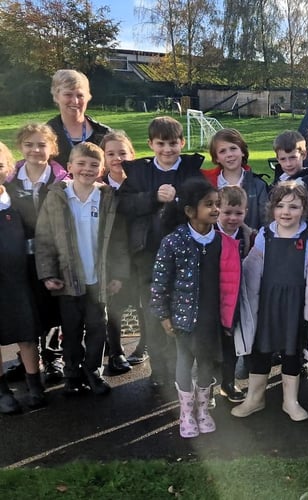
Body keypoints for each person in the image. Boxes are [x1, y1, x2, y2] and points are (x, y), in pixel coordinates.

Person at [232, 182, 308, 422]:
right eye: (280, 206)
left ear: (304, 209)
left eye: (294, 206)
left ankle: (290, 401)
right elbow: (252, 269)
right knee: (261, 350)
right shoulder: (265, 235)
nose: (286, 212)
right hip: (267, 304)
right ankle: (255, 399)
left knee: (291, 352)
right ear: (272, 208)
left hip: (295, 305)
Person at [35, 142, 129, 396]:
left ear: (101, 169)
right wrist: (48, 274)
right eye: (81, 163)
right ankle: (72, 374)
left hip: (99, 280)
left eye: (93, 165)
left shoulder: (107, 197)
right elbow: (44, 238)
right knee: (72, 330)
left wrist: (118, 274)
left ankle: (93, 372)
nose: (87, 169)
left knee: (98, 328)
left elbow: (119, 241)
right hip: (68, 280)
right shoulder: (57, 197)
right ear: (69, 167)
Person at [118, 116, 204, 389]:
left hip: (185, 256)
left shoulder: (191, 170)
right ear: (151, 144)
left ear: (182, 142)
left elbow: (205, 204)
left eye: (173, 143)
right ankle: (159, 371)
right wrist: (153, 197)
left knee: (184, 313)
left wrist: (180, 201)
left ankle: (181, 369)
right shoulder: (139, 172)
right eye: (161, 143)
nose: (167, 149)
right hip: (149, 256)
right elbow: (123, 204)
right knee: (155, 314)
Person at [151, 177, 241, 438]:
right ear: (190, 211)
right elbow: (160, 281)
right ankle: (186, 413)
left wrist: (229, 316)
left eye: (217, 204)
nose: (216, 209)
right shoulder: (174, 241)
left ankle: (203, 410)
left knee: (207, 363)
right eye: (208, 205)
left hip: (212, 318)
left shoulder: (223, 242)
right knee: (184, 360)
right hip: (183, 318)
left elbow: (232, 281)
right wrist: (163, 315)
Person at [5, 123, 68, 383]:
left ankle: (53, 356)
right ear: (20, 147)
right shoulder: (9, 181)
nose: (35, 150)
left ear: (52, 148)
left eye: (41, 144)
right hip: (18, 255)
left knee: (50, 304)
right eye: (29, 144)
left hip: (51, 252)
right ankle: (28, 359)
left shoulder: (61, 182)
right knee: (26, 306)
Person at [0, 141, 46, 413]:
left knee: (27, 335)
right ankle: (3, 392)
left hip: (19, 279)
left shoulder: (14, 197)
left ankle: (35, 386)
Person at [100, 131, 139, 375]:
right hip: (113, 254)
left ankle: (143, 346)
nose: (117, 158)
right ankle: (116, 351)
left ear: (132, 155)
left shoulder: (140, 184)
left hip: (139, 252)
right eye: (111, 154)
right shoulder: (100, 188)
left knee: (143, 304)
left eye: (122, 153)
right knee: (114, 305)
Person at [215, 185, 257, 402]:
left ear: (246, 212)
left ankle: (228, 383)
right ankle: (208, 384)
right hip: (215, 298)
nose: (232, 218)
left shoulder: (249, 235)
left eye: (238, 213)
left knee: (233, 342)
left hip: (239, 298)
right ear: (217, 210)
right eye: (227, 213)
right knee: (214, 344)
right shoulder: (209, 234)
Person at [202, 128, 269, 230]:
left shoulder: (258, 186)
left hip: (251, 243)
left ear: (242, 151)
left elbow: (266, 222)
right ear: (216, 158)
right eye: (222, 151)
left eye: (233, 148)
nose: (229, 154)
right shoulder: (207, 185)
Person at [46, 69, 112, 166]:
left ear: (88, 97)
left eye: (80, 95)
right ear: (56, 97)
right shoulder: (45, 135)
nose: (75, 101)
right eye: (68, 94)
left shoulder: (105, 134)